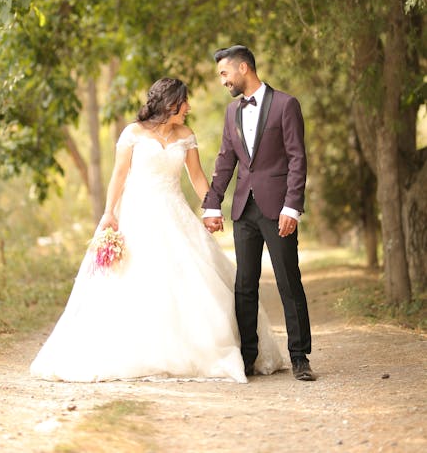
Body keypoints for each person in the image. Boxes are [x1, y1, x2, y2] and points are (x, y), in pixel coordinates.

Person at [30, 77, 283, 383]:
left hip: (175, 213)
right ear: (170, 104)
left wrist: (211, 207)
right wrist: (109, 213)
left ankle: (205, 349)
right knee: (139, 280)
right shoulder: (133, 134)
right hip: (138, 214)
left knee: (191, 277)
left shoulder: (186, 135)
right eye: (184, 102)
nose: (188, 107)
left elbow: (197, 176)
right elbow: (118, 176)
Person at [202, 46, 316, 381]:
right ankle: (247, 357)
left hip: (278, 208)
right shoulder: (231, 112)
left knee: (287, 281)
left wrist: (292, 206)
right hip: (243, 210)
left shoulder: (285, 105)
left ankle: (300, 358)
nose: (223, 81)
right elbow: (225, 160)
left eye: (225, 73)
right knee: (245, 285)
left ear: (242, 68)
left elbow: (297, 159)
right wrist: (212, 202)